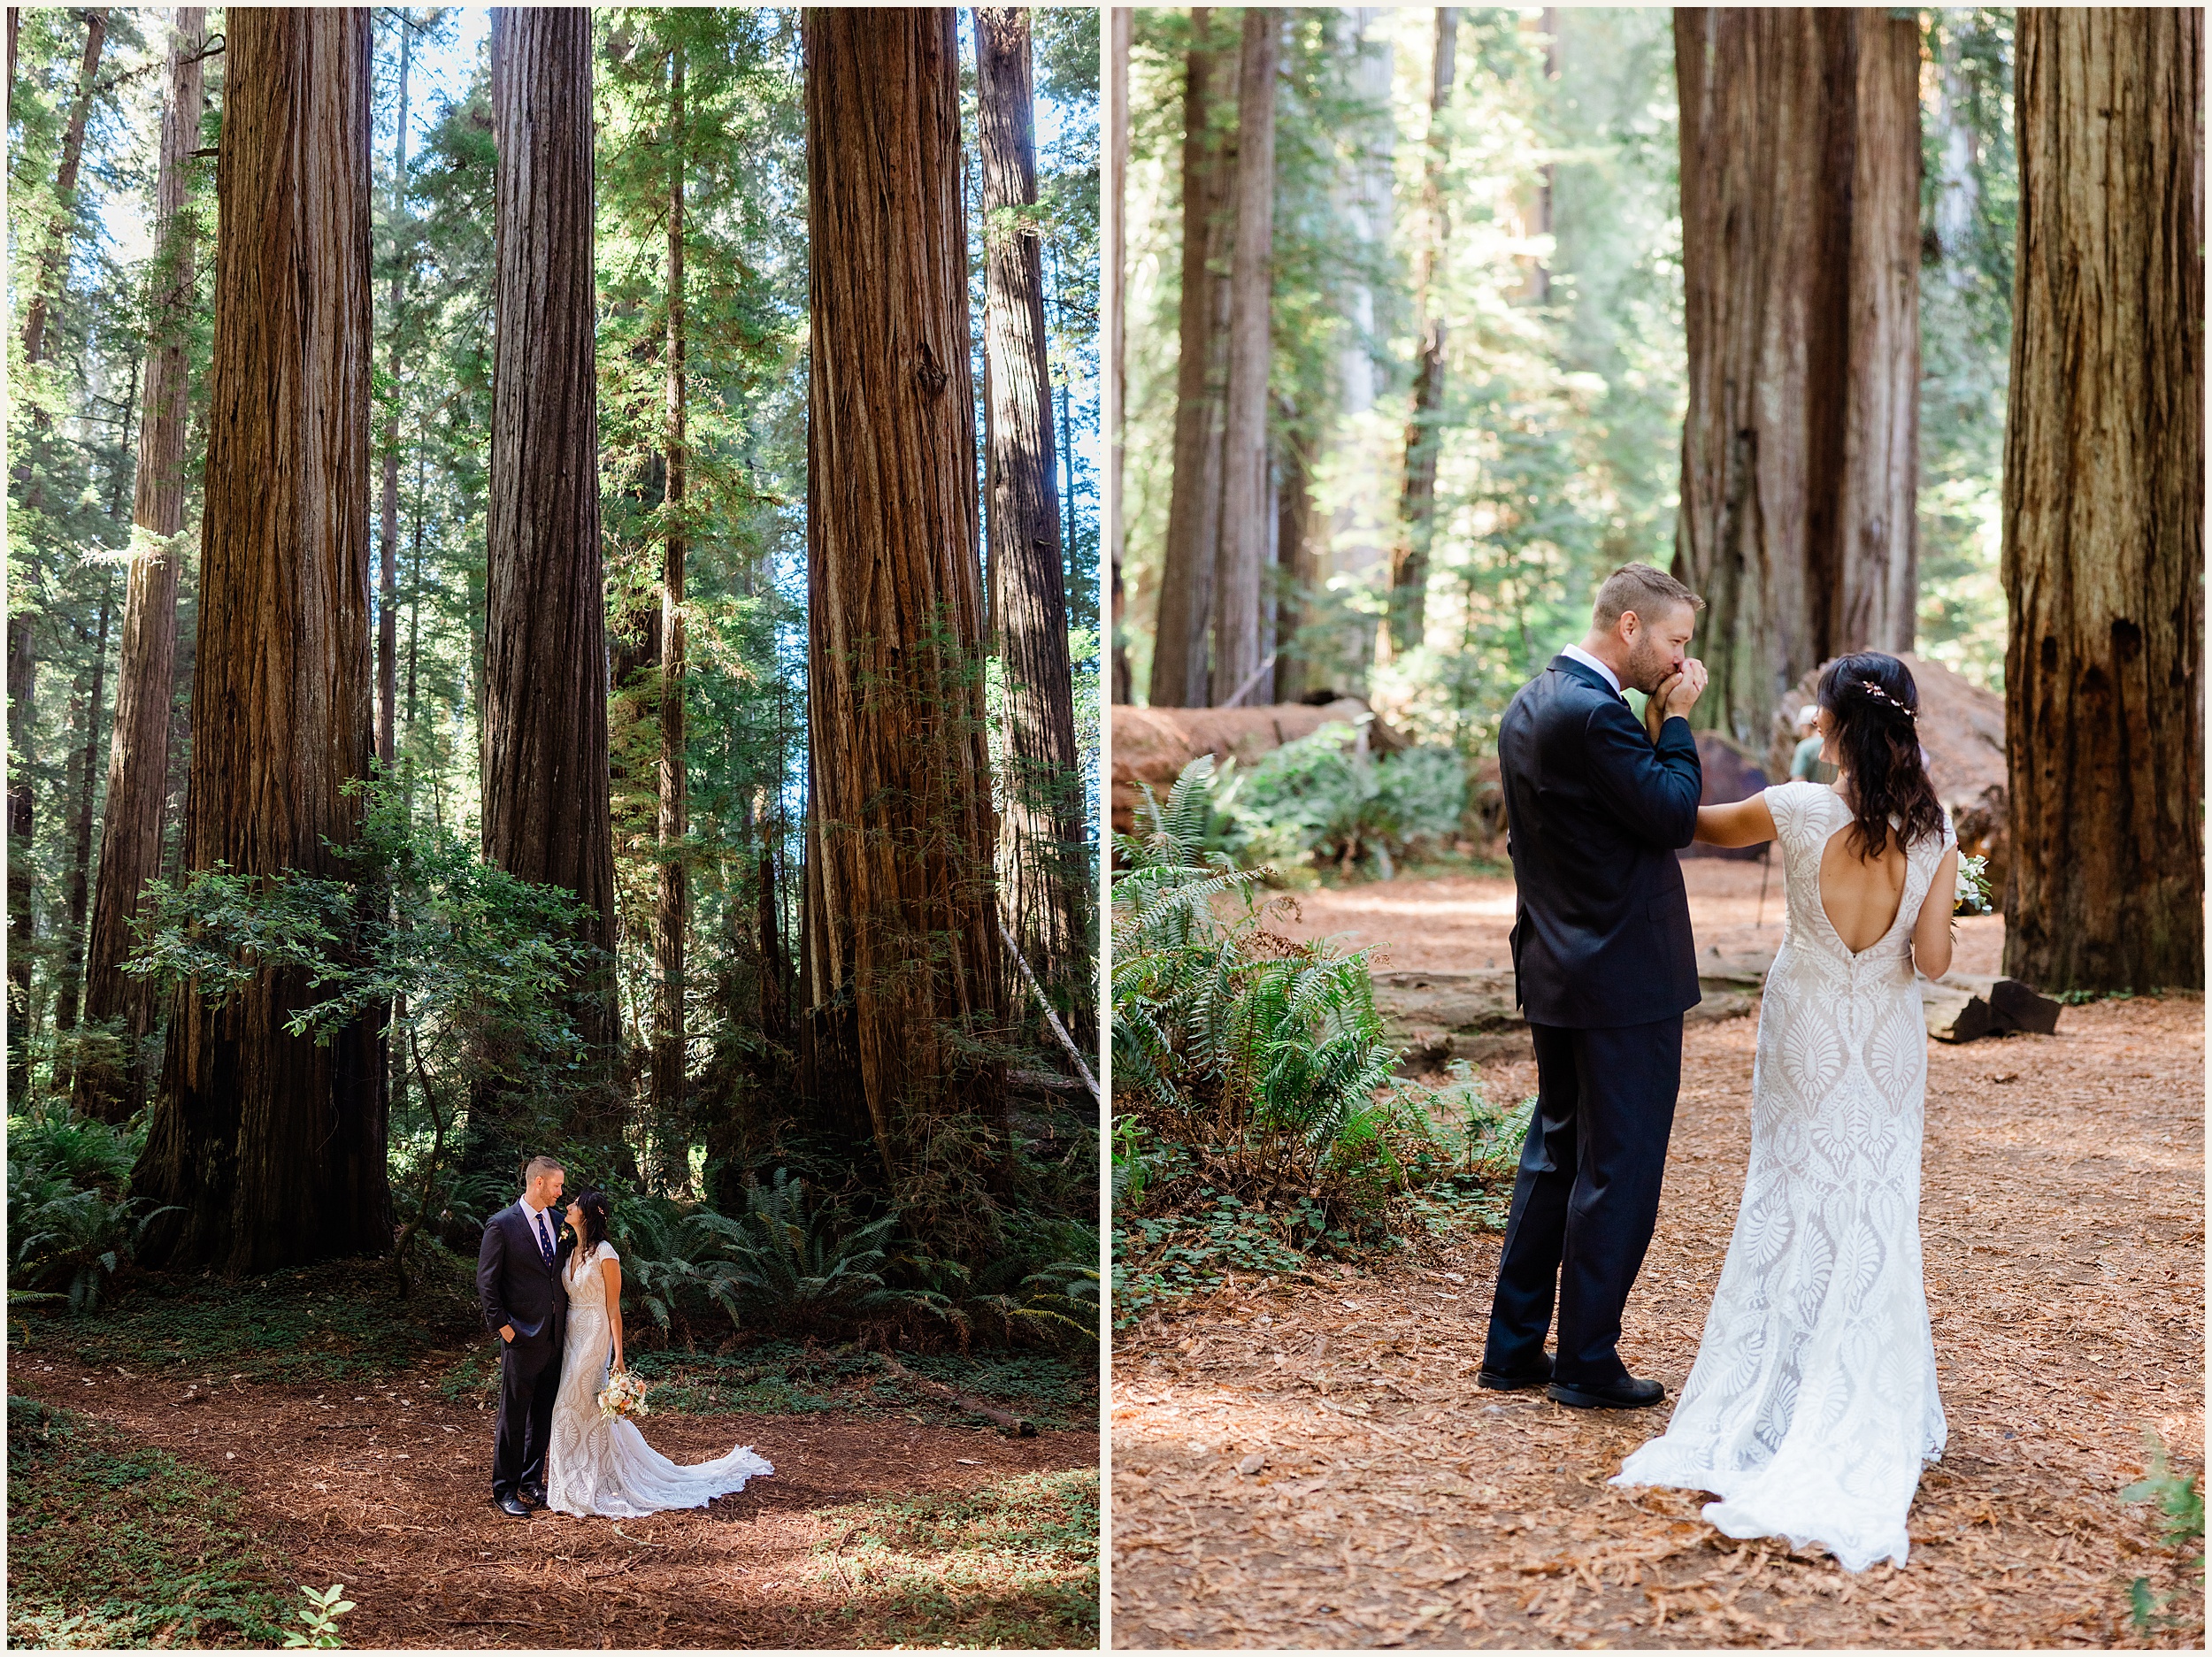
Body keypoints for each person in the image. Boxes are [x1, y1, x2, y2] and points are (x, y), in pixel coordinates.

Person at [1611, 650, 1960, 1572]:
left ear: (1836, 727)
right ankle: (1856, 1386)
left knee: (1792, 1188)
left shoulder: (1793, 806)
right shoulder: (1935, 833)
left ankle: (1776, 1388)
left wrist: (1666, 721)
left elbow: (1677, 819)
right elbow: (1932, 964)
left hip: (1804, 1029)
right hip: (1883, 1042)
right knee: (1875, 1202)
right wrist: (1945, 904)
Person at [1478, 562, 1708, 1410]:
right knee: (1619, 1166)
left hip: (1556, 967)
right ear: (1630, 629)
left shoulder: (1532, 701)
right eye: (1677, 642)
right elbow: (1672, 813)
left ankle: (1512, 1350)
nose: (1683, 660)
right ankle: (1585, 1361)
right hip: (1622, 978)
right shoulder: (1596, 715)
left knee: (1555, 1155)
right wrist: (1675, 723)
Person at [543, 1189, 772, 1518]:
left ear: (589, 1213)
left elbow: (613, 1308)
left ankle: (588, 1483)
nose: (567, 1206)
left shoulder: (606, 1254)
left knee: (569, 1404)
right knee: (571, 1408)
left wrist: (619, 1357)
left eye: (575, 1204)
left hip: (595, 1336)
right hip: (570, 1333)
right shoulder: (571, 1249)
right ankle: (573, 1482)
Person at [478, 1155, 571, 1517]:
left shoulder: (560, 1222)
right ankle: (505, 1489)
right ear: (538, 1183)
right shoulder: (502, 1225)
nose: (561, 1192)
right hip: (519, 1336)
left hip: (554, 1337)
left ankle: (533, 1481)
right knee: (513, 1416)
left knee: (542, 1414)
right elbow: (487, 1283)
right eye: (557, 1185)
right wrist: (504, 1328)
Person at [1789, 704, 1836, 784]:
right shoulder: (1836, 745)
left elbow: (1798, 781)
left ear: (1807, 727)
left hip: (1813, 795)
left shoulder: (1804, 747)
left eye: (1802, 727)